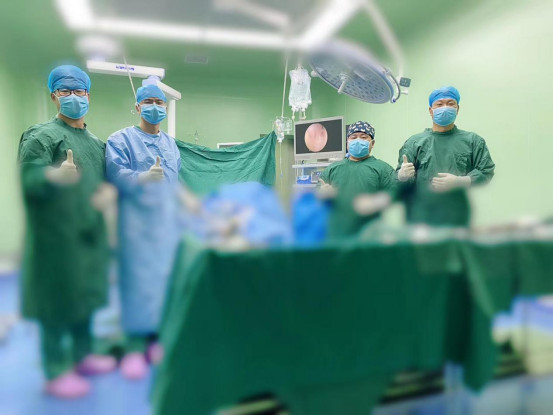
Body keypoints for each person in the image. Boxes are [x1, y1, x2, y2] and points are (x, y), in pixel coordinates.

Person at [17, 65, 116, 399]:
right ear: (53, 96)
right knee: (56, 300)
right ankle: (56, 369)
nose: (74, 97)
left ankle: (83, 356)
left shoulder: (96, 143)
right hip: (55, 238)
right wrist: (52, 176)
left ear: (89, 95)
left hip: (88, 234)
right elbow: (28, 181)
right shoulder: (42, 137)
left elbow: (99, 184)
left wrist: (106, 196)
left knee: (84, 296)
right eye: (65, 91)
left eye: (80, 91)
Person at [106, 84, 182, 380]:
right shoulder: (120, 140)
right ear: (138, 107)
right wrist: (142, 178)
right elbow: (115, 176)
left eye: (159, 102)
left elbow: (175, 185)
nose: (155, 107)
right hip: (135, 227)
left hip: (165, 227)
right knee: (136, 286)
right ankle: (134, 348)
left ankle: (155, 340)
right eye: (148, 102)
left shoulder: (171, 145)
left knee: (163, 284)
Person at [396, 86, 495, 226]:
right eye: (439, 104)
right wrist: (402, 176)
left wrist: (461, 181)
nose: (445, 108)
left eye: (450, 103)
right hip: (421, 216)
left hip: (456, 216)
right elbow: (398, 185)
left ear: (457, 109)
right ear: (430, 110)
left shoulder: (473, 141)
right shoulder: (414, 143)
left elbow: (486, 171)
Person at [320, 121, 396, 238]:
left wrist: (377, 201)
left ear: (372, 143)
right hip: (338, 234)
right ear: (347, 143)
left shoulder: (382, 169)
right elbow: (316, 199)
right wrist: (323, 194)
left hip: (370, 236)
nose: (358, 140)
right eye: (353, 137)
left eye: (363, 137)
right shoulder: (332, 169)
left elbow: (398, 193)